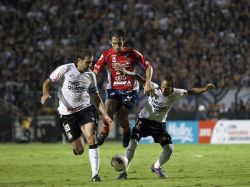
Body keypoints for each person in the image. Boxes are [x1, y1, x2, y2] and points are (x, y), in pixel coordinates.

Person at [115, 72, 215, 179]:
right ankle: (124, 172)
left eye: (167, 88)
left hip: (159, 125)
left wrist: (204, 89)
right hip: (143, 121)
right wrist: (125, 72)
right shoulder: (154, 87)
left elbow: (190, 91)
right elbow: (139, 78)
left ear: (172, 88)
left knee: (169, 149)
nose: (163, 90)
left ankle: (156, 167)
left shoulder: (176, 93)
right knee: (133, 143)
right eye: (163, 87)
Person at [40, 49, 113, 182]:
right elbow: (47, 82)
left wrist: (105, 115)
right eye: (87, 62)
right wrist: (45, 94)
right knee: (79, 150)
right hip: (67, 114)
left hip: (85, 109)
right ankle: (77, 140)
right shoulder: (65, 69)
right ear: (79, 61)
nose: (90, 66)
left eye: (91, 63)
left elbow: (95, 96)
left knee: (91, 136)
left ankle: (95, 174)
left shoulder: (91, 75)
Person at [93, 28, 154, 148]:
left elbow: (148, 66)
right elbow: (94, 71)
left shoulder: (133, 53)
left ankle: (127, 131)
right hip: (114, 88)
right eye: (114, 43)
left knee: (122, 116)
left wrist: (148, 82)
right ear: (110, 41)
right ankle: (104, 132)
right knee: (108, 107)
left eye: (119, 43)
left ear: (123, 41)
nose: (116, 46)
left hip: (130, 90)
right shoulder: (107, 55)